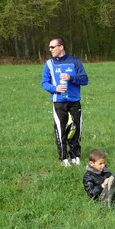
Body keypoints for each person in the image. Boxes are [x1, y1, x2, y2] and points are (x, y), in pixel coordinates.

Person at [41, 37, 89, 167]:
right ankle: (64, 158)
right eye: (49, 47)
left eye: (52, 47)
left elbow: (85, 79)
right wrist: (54, 88)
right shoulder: (49, 64)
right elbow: (44, 83)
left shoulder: (75, 62)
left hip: (74, 102)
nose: (50, 49)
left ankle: (76, 156)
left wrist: (71, 78)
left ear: (61, 47)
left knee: (76, 129)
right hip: (59, 103)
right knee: (60, 130)